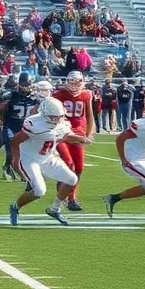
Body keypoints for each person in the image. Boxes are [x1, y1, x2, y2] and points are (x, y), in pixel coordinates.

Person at [9, 97, 93, 226]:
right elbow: (15, 141)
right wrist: (15, 158)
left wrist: (80, 139)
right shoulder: (33, 123)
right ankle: (15, 207)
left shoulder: (62, 123)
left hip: (48, 158)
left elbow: (66, 137)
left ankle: (54, 209)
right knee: (39, 191)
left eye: (57, 116)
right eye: (52, 117)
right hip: (30, 160)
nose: (55, 119)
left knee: (72, 179)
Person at [54, 71, 95, 210]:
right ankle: (63, 190)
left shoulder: (86, 95)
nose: (74, 85)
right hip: (63, 134)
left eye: (77, 82)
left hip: (78, 134)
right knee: (69, 165)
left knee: (79, 168)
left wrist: (89, 133)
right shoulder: (58, 95)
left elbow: (89, 115)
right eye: (71, 82)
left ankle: (72, 198)